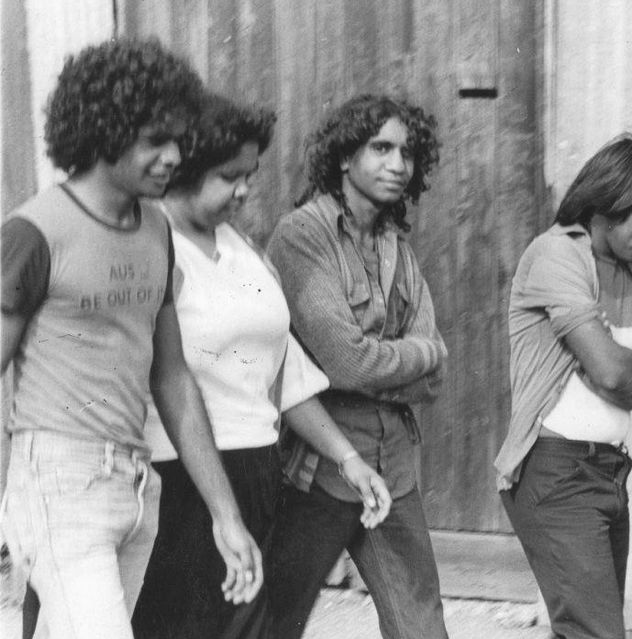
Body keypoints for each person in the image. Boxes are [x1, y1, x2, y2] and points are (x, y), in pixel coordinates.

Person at [0, 39, 262, 639]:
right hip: (60, 482)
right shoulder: (34, 232)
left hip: (136, 485)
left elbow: (172, 378)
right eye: (155, 141)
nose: (175, 157)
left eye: (179, 140)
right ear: (104, 131)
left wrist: (225, 514)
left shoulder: (156, 232)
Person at [129, 93, 392, 639]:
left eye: (249, 175)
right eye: (229, 176)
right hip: (179, 477)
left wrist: (347, 458)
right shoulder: (152, 245)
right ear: (186, 169)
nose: (244, 190)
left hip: (256, 469)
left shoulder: (243, 247)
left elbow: (283, 371)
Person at [261, 94, 449, 639]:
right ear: (345, 157)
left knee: (421, 626)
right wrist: (416, 355)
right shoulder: (303, 235)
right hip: (318, 465)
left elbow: (435, 376)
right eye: (381, 148)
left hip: (393, 464)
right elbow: (350, 364)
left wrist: (395, 361)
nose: (398, 164)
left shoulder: (397, 248)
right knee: (273, 621)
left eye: (407, 153)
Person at [495, 135, 632, 639]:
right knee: (596, 633)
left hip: (608, 470)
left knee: (587, 631)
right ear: (610, 203)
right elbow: (619, 374)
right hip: (556, 471)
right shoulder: (556, 253)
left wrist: (623, 370)